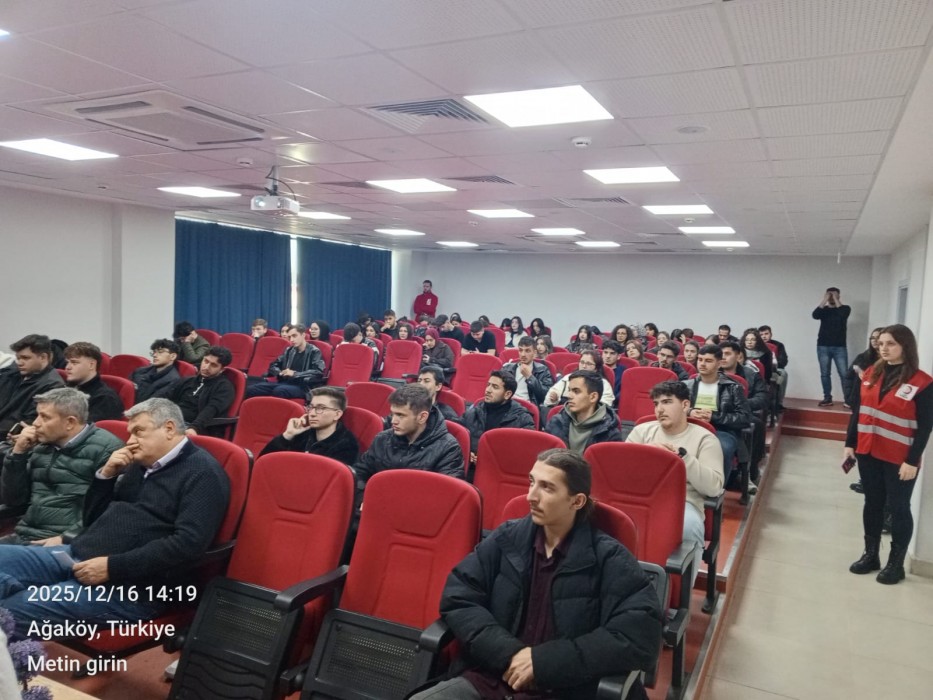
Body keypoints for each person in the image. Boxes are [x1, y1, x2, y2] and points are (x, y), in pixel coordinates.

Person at [410, 448, 663, 700]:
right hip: (492, 678)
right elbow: (459, 597)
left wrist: (542, 662)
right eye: (531, 482)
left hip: (564, 690)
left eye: (547, 488)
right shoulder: (508, 538)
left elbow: (638, 636)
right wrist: (509, 654)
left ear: (577, 501)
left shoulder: (609, 558)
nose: (531, 496)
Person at [0, 398, 229, 637]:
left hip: (132, 588)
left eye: (138, 431)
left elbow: (189, 544)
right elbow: (92, 520)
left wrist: (112, 567)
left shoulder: (203, 473)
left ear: (169, 429)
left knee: (11, 611)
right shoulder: (140, 463)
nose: (129, 441)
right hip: (77, 556)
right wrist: (105, 476)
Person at [845, 324, 932, 585]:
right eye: (881, 343)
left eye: (891, 343)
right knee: (872, 503)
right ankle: (870, 555)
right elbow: (859, 410)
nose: (883, 348)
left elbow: (926, 426)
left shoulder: (922, 382)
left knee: (898, 507)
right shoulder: (871, 372)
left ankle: (896, 564)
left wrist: (912, 460)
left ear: (905, 346)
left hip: (899, 458)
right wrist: (849, 444)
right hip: (868, 451)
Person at [626, 381, 724, 585]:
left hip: (683, 503)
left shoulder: (705, 439)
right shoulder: (642, 432)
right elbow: (622, 473)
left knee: (688, 526)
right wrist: (646, 453)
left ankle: (679, 594)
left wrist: (683, 457)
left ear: (685, 405)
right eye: (656, 403)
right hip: (639, 500)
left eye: (667, 402)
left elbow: (714, 486)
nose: (660, 409)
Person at [0, 388, 124, 545]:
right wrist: (17, 454)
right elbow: (14, 500)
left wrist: (66, 538)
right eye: (37, 415)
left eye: (45, 417)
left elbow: (107, 509)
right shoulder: (41, 446)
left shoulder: (107, 450)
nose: (36, 423)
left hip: (66, 542)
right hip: (25, 535)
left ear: (70, 422)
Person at [353, 385, 464, 493]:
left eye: (400, 415)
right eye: (392, 414)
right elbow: (360, 475)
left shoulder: (448, 448)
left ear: (422, 417)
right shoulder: (382, 439)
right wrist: (365, 497)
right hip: (379, 501)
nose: (393, 421)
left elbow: (447, 494)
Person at [681, 345, 751, 486]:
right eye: (700, 359)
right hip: (690, 427)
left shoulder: (733, 387)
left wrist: (714, 417)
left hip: (720, 430)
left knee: (722, 448)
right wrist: (690, 412)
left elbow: (744, 418)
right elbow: (676, 408)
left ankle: (716, 489)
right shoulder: (686, 385)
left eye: (708, 361)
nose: (702, 364)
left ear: (719, 364)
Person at [259, 386, 359, 465]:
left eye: (320, 408)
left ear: (337, 414)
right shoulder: (302, 433)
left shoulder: (346, 445)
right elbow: (263, 461)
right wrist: (287, 435)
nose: (312, 413)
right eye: (311, 407)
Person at [459, 370, 535, 461]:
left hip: (501, 467)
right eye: (488, 385)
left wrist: (488, 459)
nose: (488, 390)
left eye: (495, 387)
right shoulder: (473, 412)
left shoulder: (523, 419)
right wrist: (466, 452)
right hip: (471, 466)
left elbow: (524, 453)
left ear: (507, 394)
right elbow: (458, 439)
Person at [0, 335, 64, 438]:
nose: (19, 363)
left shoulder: (53, 387)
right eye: (18, 358)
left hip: (9, 439)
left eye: (25, 358)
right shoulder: (10, 375)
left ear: (43, 357)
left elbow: (30, 422)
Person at [546, 371, 621, 454]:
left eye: (576, 391)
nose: (569, 396)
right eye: (569, 390)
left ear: (593, 397)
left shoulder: (610, 433)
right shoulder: (556, 423)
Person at [246, 324, 325, 400]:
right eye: (290, 337)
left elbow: (318, 372)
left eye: (294, 336)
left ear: (303, 335)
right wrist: (279, 372)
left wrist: (294, 374)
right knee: (253, 389)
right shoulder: (289, 350)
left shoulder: (314, 351)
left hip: (303, 386)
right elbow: (273, 365)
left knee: (280, 390)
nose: (291, 340)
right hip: (285, 383)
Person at [169, 346, 235, 436]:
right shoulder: (189, 380)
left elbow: (211, 410)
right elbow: (166, 396)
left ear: (222, 369)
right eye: (206, 361)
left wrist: (194, 428)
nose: (206, 367)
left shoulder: (224, 387)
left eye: (213, 365)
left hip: (194, 427)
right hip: (171, 419)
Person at [62, 342, 123, 422]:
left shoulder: (105, 399)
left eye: (74, 362)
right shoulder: (66, 388)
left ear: (91, 365)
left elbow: (86, 427)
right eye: (67, 362)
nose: (67, 367)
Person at [812, 286, 852, 407]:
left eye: (834, 294)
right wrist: (825, 299)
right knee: (825, 374)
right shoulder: (823, 310)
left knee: (844, 374)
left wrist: (835, 298)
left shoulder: (845, 308)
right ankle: (827, 398)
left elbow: (843, 314)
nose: (831, 297)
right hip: (823, 346)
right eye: (829, 294)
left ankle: (848, 400)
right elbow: (815, 315)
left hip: (840, 347)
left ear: (839, 296)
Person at [545, 350, 614, 408]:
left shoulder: (603, 384)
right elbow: (550, 398)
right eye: (582, 362)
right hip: (565, 413)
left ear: (596, 368)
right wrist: (554, 399)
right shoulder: (568, 378)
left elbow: (605, 406)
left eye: (589, 364)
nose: (584, 366)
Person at [501, 337, 553, 407]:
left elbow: (546, 395)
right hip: (508, 405)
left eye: (527, 351)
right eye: (520, 350)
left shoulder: (543, 370)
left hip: (528, 407)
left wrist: (530, 377)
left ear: (534, 353)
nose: (523, 354)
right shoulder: (507, 368)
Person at [758, 324, 789, 410]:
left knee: (783, 373)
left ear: (771, 334)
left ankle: (779, 403)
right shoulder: (756, 345)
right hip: (758, 369)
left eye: (766, 334)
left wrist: (771, 366)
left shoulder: (779, 345)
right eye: (761, 334)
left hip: (774, 369)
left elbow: (783, 361)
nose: (764, 336)